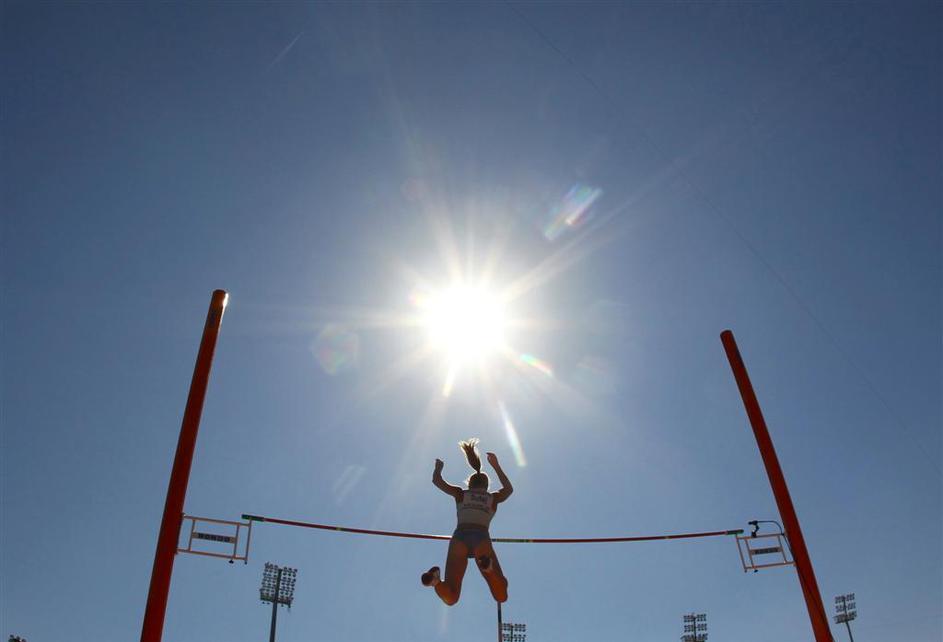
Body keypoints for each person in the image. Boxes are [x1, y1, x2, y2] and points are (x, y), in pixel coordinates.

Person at [421, 438, 513, 605]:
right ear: (486, 486)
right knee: (501, 595)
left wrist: (438, 468)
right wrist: (496, 466)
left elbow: (436, 481)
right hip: (481, 538)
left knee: (451, 597)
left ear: (469, 484)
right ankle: (489, 569)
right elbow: (509, 489)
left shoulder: (460, 494)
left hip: (460, 538)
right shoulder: (493, 498)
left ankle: (435, 581)